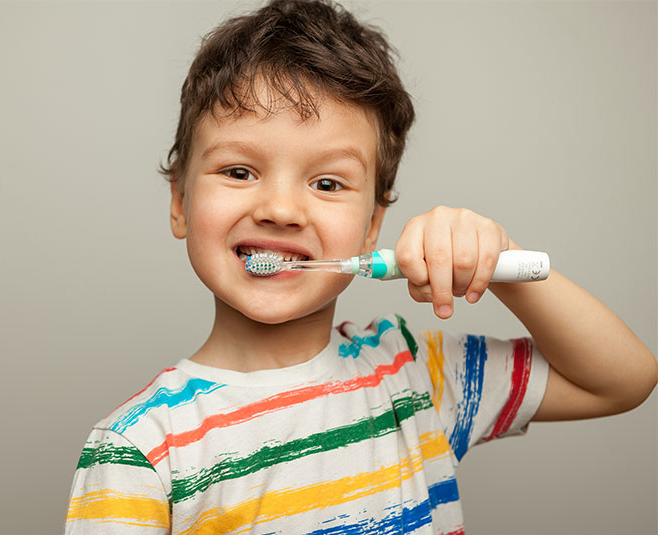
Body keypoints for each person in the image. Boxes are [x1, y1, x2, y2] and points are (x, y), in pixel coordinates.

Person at [64, 1, 657, 533]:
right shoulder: (137, 451)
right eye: (239, 171)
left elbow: (623, 380)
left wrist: (499, 267)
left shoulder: (417, 375)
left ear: (373, 227)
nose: (279, 209)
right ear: (179, 204)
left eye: (327, 182)